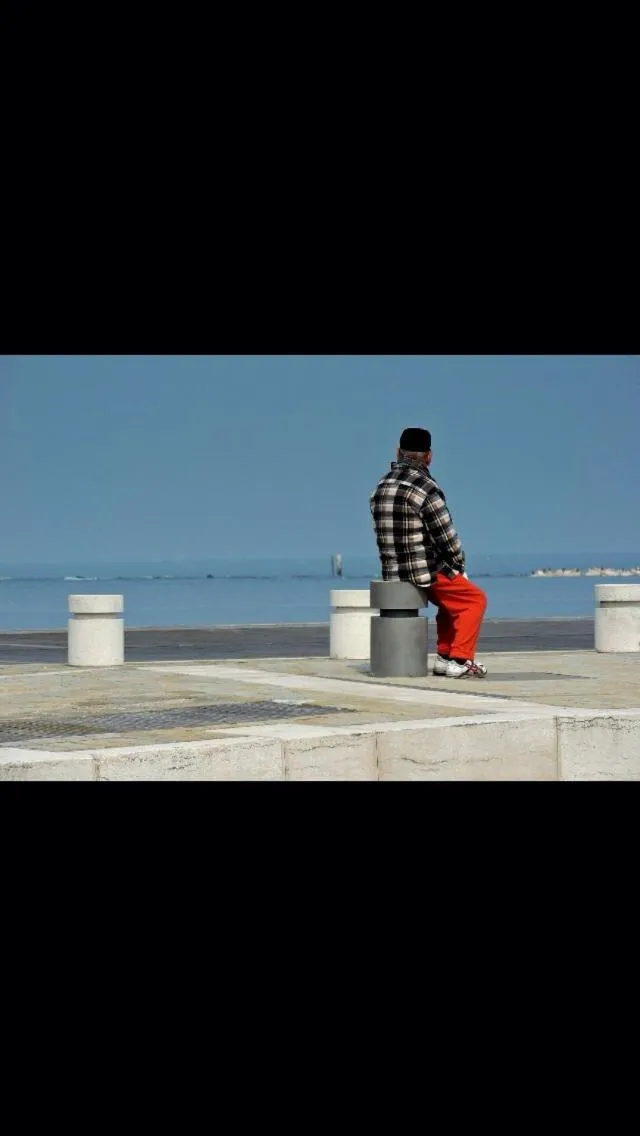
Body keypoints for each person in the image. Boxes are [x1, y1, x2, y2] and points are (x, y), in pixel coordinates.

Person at [369, 427, 488, 678]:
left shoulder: (382, 485)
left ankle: (445, 656)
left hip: (392, 570)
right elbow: (447, 538)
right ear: (429, 456)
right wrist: (459, 566)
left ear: (398, 452)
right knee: (474, 600)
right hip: (423, 572)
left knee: (452, 601)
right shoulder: (425, 488)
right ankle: (460, 659)